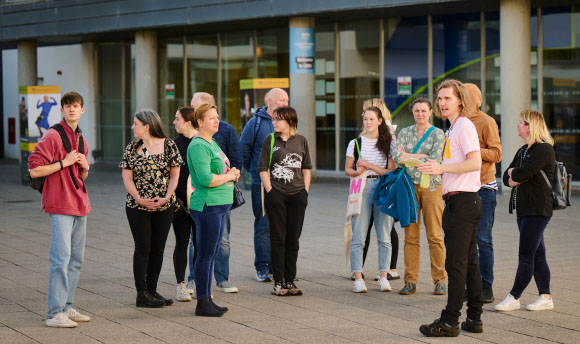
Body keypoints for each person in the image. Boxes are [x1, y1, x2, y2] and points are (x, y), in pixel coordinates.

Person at [417, 79, 483, 337]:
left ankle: (450, 321)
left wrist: (442, 168)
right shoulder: (452, 130)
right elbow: (456, 163)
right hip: (462, 201)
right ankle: (474, 318)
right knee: (469, 263)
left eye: (448, 98)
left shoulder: (464, 126)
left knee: (455, 264)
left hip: (463, 203)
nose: (442, 103)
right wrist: (431, 163)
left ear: (460, 101)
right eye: (440, 99)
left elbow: (475, 162)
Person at [29, 91, 92, 328]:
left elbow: (80, 176)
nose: (72, 109)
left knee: (76, 260)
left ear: (82, 110)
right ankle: (54, 313)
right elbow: (34, 170)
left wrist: (85, 168)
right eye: (68, 106)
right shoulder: (53, 135)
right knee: (60, 259)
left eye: (76, 106)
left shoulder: (81, 139)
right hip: (60, 203)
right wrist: (63, 163)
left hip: (79, 204)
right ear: (62, 110)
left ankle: (66, 307)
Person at [120, 109, 183, 308]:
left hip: (164, 205)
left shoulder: (169, 145)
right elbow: (127, 177)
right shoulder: (132, 148)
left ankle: (151, 290)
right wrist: (138, 198)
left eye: (135, 124)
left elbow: (175, 175)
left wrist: (166, 197)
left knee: (158, 248)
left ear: (147, 126)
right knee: (143, 247)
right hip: (137, 206)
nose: (132, 127)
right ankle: (141, 294)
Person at [494, 110, 556, 312]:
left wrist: (516, 174)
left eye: (521, 122)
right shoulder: (523, 151)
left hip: (538, 209)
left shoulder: (544, 149)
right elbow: (506, 176)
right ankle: (546, 296)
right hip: (523, 209)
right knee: (538, 253)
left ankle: (514, 297)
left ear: (531, 126)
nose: (517, 125)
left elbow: (523, 172)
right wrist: (515, 175)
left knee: (525, 255)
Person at [187, 102, 241, 317]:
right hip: (208, 205)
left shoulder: (213, 143)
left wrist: (232, 172)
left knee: (211, 253)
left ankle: (207, 298)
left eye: (217, 117)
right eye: (211, 118)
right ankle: (202, 302)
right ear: (199, 122)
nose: (217, 120)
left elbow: (221, 169)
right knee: (206, 255)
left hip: (219, 205)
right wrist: (229, 176)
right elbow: (205, 179)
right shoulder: (199, 145)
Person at [391, 98, 447, 296]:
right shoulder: (405, 132)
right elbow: (396, 157)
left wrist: (410, 158)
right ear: (412, 112)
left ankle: (440, 280)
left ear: (430, 112)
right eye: (417, 111)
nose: (420, 114)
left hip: (431, 187)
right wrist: (421, 157)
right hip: (408, 188)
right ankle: (410, 281)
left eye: (424, 110)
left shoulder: (438, 133)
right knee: (411, 237)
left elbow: (436, 159)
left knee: (435, 235)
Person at [258, 106, 312, 296]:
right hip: (277, 194)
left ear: (290, 122)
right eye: (273, 119)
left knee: (293, 239)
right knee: (278, 238)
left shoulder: (302, 141)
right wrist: (271, 191)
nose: (274, 122)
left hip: (297, 195)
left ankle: (290, 280)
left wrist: (305, 191)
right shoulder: (270, 140)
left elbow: (306, 168)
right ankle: (278, 281)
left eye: (277, 119)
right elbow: (263, 168)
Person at [345, 106, 396, 293]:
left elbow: (391, 171)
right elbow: (347, 169)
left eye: (372, 119)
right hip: (362, 188)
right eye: (365, 119)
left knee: (385, 236)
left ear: (380, 121)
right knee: (358, 234)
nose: (368, 122)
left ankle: (383, 276)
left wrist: (368, 165)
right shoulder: (355, 143)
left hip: (383, 187)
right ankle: (358, 278)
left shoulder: (389, 142)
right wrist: (356, 171)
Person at [240, 88, 289, 282]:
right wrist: (253, 171)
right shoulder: (255, 123)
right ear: (269, 101)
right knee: (263, 225)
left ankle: (278, 266)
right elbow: (243, 149)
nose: (284, 103)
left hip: (284, 183)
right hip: (260, 182)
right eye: (280, 100)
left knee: (282, 225)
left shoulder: (288, 123)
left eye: (286, 100)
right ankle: (262, 267)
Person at [355, 98, 401, 282]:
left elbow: (392, 166)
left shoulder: (388, 135)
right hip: (366, 184)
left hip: (382, 185)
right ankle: (360, 269)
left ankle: (389, 268)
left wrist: (368, 166)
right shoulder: (364, 135)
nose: (363, 116)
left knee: (386, 229)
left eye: (366, 112)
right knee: (368, 228)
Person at [464, 83, 503, 303]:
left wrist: (472, 151)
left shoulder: (486, 121)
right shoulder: (458, 122)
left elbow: (497, 153)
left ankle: (486, 287)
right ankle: (472, 286)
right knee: (466, 241)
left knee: (483, 239)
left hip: (484, 189)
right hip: (463, 189)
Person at [172, 107, 197, 302]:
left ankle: (197, 283)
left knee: (201, 245)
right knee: (182, 243)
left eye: (177, 119)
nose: (174, 122)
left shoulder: (204, 142)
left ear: (188, 122)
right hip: (180, 204)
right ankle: (181, 285)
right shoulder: (173, 145)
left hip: (201, 202)